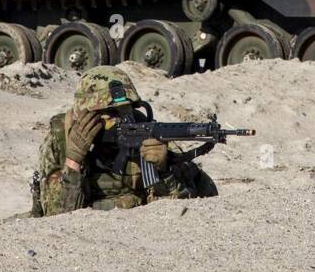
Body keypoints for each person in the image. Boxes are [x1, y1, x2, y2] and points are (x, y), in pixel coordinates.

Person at [29, 66, 217, 216]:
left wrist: (164, 170)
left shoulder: (143, 132)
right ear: (85, 114)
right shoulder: (62, 138)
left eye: (126, 110)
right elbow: (56, 216)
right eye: (110, 113)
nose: (119, 119)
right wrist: (74, 161)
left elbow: (181, 207)